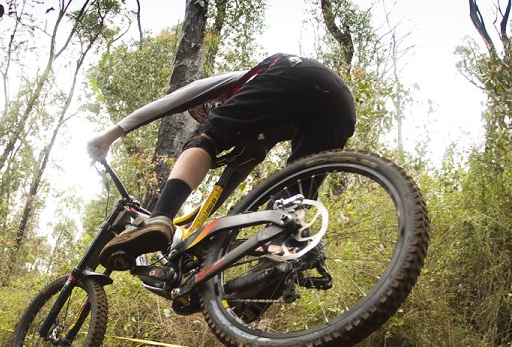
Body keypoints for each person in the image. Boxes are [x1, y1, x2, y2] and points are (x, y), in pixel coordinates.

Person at [87, 53, 356, 271]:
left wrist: (111, 135)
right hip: (341, 106)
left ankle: (161, 217)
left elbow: (172, 102)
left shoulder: (241, 81)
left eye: (207, 109)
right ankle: (268, 273)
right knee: (294, 192)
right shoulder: (264, 129)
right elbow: (229, 180)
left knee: (207, 138)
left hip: (294, 72)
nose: (209, 112)